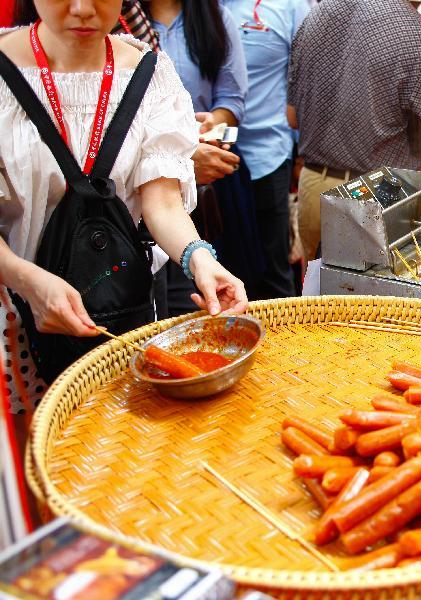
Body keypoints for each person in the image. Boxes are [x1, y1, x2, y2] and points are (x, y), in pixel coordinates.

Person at [0, 0, 247, 412]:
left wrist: (200, 259)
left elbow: (162, 203)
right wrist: (28, 282)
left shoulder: (150, 74)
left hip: (119, 315)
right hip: (17, 327)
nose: (82, 9)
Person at [287, 0, 421, 267]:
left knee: (321, 301)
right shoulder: (419, 32)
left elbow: (292, 117)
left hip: (315, 187)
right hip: (380, 196)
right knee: (380, 306)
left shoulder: (316, 15)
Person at [141, 0, 263, 314]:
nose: (82, 9)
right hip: (140, 192)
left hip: (205, 175)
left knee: (200, 296)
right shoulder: (129, 25)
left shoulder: (214, 17)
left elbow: (231, 97)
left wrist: (212, 125)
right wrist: (185, 153)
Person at [222, 0, 309, 300]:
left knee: (272, 270)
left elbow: (303, 77)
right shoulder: (203, 9)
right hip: (206, 161)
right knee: (220, 271)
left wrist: (301, 152)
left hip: (266, 155)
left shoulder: (290, 6)